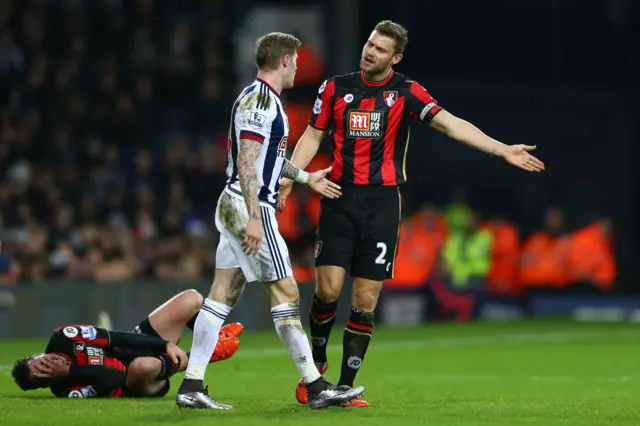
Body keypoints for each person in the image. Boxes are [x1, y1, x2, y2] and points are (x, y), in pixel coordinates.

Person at [278, 20, 546, 407]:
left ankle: (345, 385)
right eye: (369, 44)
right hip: (338, 197)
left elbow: (452, 125)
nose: (370, 51)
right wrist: (292, 178)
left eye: (380, 49)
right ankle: (314, 372)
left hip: (383, 204)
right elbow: (313, 135)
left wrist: (501, 149)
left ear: (395, 58)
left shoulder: (405, 92)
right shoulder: (334, 87)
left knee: (365, 299)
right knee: (327, 290)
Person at [174, 32, 364, 410]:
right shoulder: (262, 103)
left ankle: (191, 385)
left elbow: (268, 160)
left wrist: (307, 178)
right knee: (287, 293)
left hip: (235, 206)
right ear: (283, 60)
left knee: (221, 293)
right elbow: (247, 161)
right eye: (295, 60)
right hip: (249, 208)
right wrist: (257, 216)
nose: (298, 66)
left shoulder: (261, 99)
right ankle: (315, 386)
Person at [11, 289, 242, 398]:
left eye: (40, 362)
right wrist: (70, 370)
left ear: (36, 355)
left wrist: (164, 345)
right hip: (137, 383)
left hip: (133, 349)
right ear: (45, 384)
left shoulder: (63, 337)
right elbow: (115, 379)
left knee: (190, 299)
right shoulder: (66, 389)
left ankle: (212, 337)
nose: (48, 365)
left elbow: (117, 337)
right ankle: (205, 354)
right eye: (44, 373)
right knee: (140, 367)